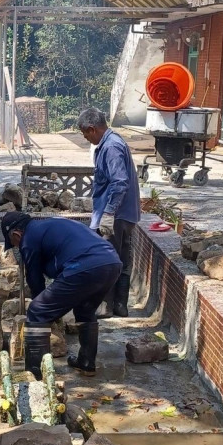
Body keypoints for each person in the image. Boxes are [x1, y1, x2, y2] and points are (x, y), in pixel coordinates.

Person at [2, 212, 122, 377]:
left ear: (16, 234)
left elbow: (34, 278)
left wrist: (45, 307)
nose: (16, 247)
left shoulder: (28, 239)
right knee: (85, 310)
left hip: (85, 266)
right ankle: (86, 363)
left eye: (13, 244)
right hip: (111, 263)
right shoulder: (49, 225)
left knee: (37, 310)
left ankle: (35, 372)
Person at [77, 107, 140, 317]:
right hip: (123, 214)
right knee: (121, 260)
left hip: (116, 215)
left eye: (85, 134)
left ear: (92, 129)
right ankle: (119, 306)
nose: (86, 138)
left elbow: (120, 182)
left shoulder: (111, 147)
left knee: (105, 260)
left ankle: (105, 306)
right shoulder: (112, 142)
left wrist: (109, 213)